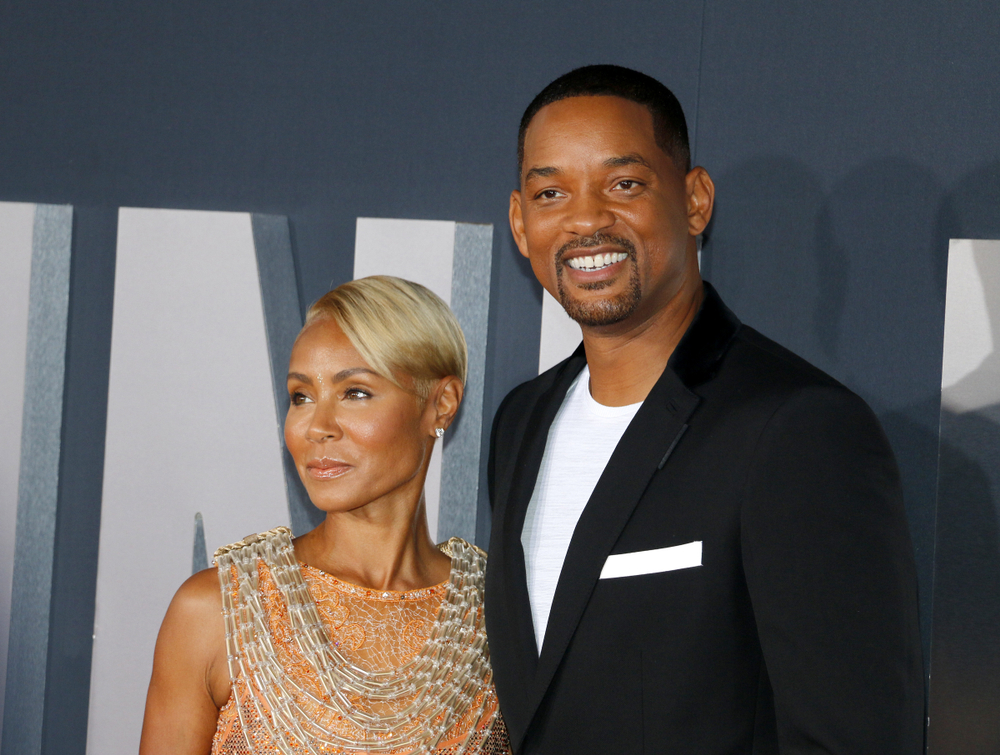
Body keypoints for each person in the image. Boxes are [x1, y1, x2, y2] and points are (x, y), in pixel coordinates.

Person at [484, 64, 924, 754]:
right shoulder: (520, 422)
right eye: (551, 192)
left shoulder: (797, 427)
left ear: (695, 200)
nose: (587, 218)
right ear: (519, 222)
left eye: (624, 184)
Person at [140, 276, 510, 754]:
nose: (317, 427)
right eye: (301, 396)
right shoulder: (216, 612)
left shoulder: (499, 619)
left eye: (355, 392)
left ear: (441, 404)